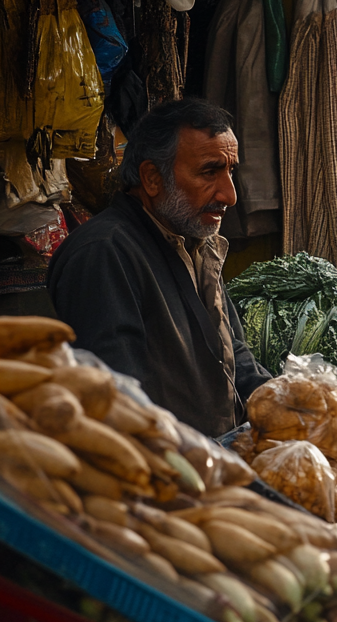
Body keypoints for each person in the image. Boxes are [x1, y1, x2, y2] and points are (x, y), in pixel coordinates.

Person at [47, 98, 271, 437]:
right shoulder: (104, 253)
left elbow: (232, 353)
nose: (229, 195)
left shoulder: (194, 239)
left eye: (231, 171)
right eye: (210, 172)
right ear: (152, 178)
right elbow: (119, 398)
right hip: (168, 473)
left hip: (216, 462)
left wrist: (288, 404)